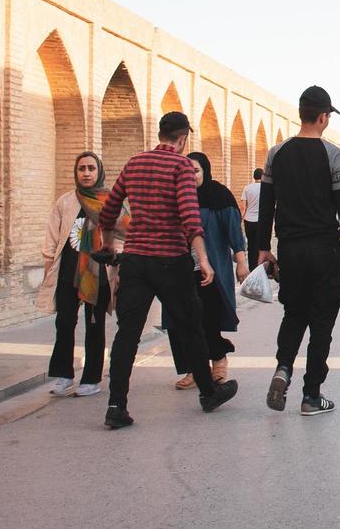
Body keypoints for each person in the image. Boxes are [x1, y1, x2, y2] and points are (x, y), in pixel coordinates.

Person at [99, 112, 238, 429]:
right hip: (171, 261)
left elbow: (108, 211)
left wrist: (108, 244)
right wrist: (203, 260)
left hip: (135, 260)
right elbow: (191, 218)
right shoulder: (180, 166)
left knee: (127, 335)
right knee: (192, 327)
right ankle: (207, 393)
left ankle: (116, 405)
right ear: (183, 138)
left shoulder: (134, 163)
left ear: (160, 133)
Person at [255, 85, 340, 416]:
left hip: (289, 250)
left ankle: (283, 369)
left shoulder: (277, 153)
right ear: (322, 117)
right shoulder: (332, 155)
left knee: (294, 314)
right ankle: (311, 395)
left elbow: (266, 206)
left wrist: (263, 248)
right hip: (323, 250)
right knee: (322, 322)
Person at [39, 151, 123, 398]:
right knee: (64, 322)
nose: (86, 173)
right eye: (81, 169)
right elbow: (52, 238)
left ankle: (91, 378)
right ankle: (64, 375)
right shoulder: (65, 202)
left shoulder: (111, 202)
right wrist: (48, 270)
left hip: (98, 273)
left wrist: (117, 264)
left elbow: (123, 235)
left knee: (94, 325)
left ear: (99, 172)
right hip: (68, 272)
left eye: (91, 168)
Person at [186, 152, 250, 386]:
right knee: (188, 319)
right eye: (187, 171)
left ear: (205, 171)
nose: (191, 176)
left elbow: (234, 231)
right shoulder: (181, 197)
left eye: (195, 171)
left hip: (213, 268)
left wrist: (241, 261)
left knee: (209, 316)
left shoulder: (219, 196)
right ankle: (196, 368)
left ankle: (218, 361)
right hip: (184, 269)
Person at [241, 168, 264, 256]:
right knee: (261, 245)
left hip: (248, 220)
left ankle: (252, 267)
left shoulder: (247, 188)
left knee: (251, 245)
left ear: (254, 177)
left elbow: (243, 206)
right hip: (261, 221)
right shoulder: (265, 188)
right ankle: (260, 266)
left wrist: (240, 219)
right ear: (262, 176)